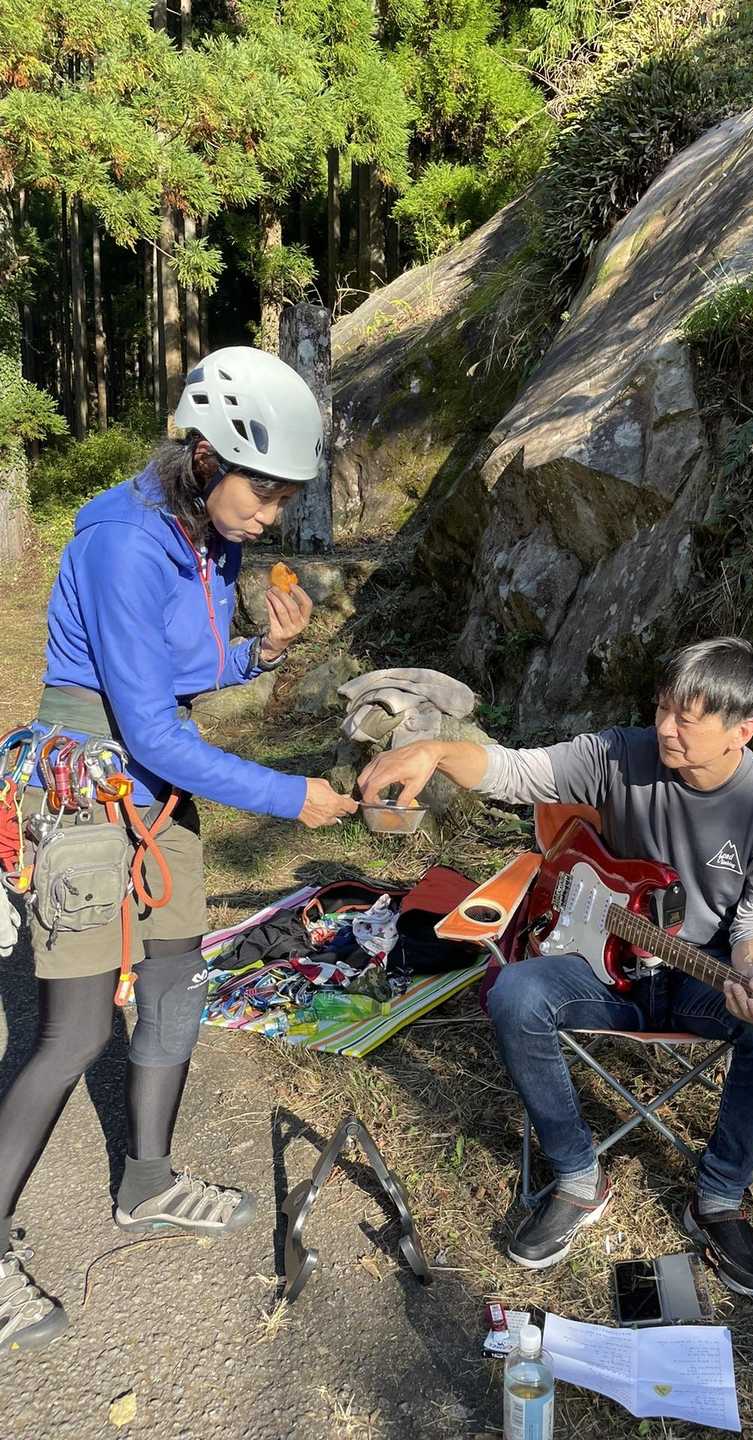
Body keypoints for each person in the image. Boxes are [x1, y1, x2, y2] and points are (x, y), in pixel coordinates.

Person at [0, 347, 358, 1354]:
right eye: (264, 490)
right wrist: (292, 796)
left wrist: (264, 652)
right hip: (89, 788)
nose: (273, 514)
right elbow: (151, 728)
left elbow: (184, 673)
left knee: (172, 986)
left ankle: (148, 1181)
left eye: (286, 495)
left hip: (158, 796)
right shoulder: (123, 543)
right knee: (74, 1034)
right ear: (205, 456)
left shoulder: (211, 538)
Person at [358, 638, 753, 1296]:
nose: (665, 729)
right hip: (602, 962)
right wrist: (434, 750)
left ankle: (719, 1198)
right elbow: (517, 772)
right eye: (661, 708)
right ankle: (577, 1175)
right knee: (515, 993)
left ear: (742, 731)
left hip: (702, 972)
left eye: (686, 719)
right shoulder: (619, 753)